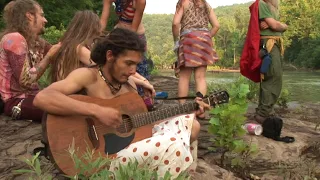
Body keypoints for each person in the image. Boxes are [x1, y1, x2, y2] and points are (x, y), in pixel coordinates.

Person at [33, 28, 209, 178]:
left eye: (136, 64)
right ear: (110, 56)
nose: (133, 70)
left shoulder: (129, 83)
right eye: (128, 63)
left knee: (190, 123)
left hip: (130, 145)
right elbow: (43, 97)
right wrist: (96, 110)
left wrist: (189, 110)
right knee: (173, 144)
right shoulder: (88, 76)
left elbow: (140, 124)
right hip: (100, 156)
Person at [49, 10, 154, 96]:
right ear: (89, 30)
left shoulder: (67, 46)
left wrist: (142, 80)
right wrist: (143, 82)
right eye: (96, 32)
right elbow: (106, 67)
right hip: (70, 96)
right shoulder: (78, 48)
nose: (97, 34)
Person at [0, 0, 60, 122]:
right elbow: (25, 81)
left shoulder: (37, 42)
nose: (45, 20)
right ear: (30, 16)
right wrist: (48, 57)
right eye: (42, 15)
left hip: (34, 97)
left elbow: (60, 53)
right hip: (15, 101)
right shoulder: (14, 39)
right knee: (64, 109)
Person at [172, 0, 220, 104]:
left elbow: (175, 23)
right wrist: (205, 37)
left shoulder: (183, 3)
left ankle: (182, 108)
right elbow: (216, 25)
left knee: (184, 77)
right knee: (200, 77)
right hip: (204, 40)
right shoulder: (206, 5)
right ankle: (200, 107)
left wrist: (176, 41)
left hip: (188, 39)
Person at [100, 0, 151, 96]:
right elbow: (103, 21)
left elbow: (133, 31)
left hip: (135, 36)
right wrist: (95, 38)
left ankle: (140, 97)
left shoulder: (140, 2)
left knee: (133, 69)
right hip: (118, 32)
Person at [254, 0, 288, 123]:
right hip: (269, 44)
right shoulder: (262, 4)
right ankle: (263, 113)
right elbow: (275, 26)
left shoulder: (272, 7)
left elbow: (275, 25)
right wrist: (283, 25)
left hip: (274, 43)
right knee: (273, 76)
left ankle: (265, 110)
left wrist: (278, 24)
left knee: (271, 76)